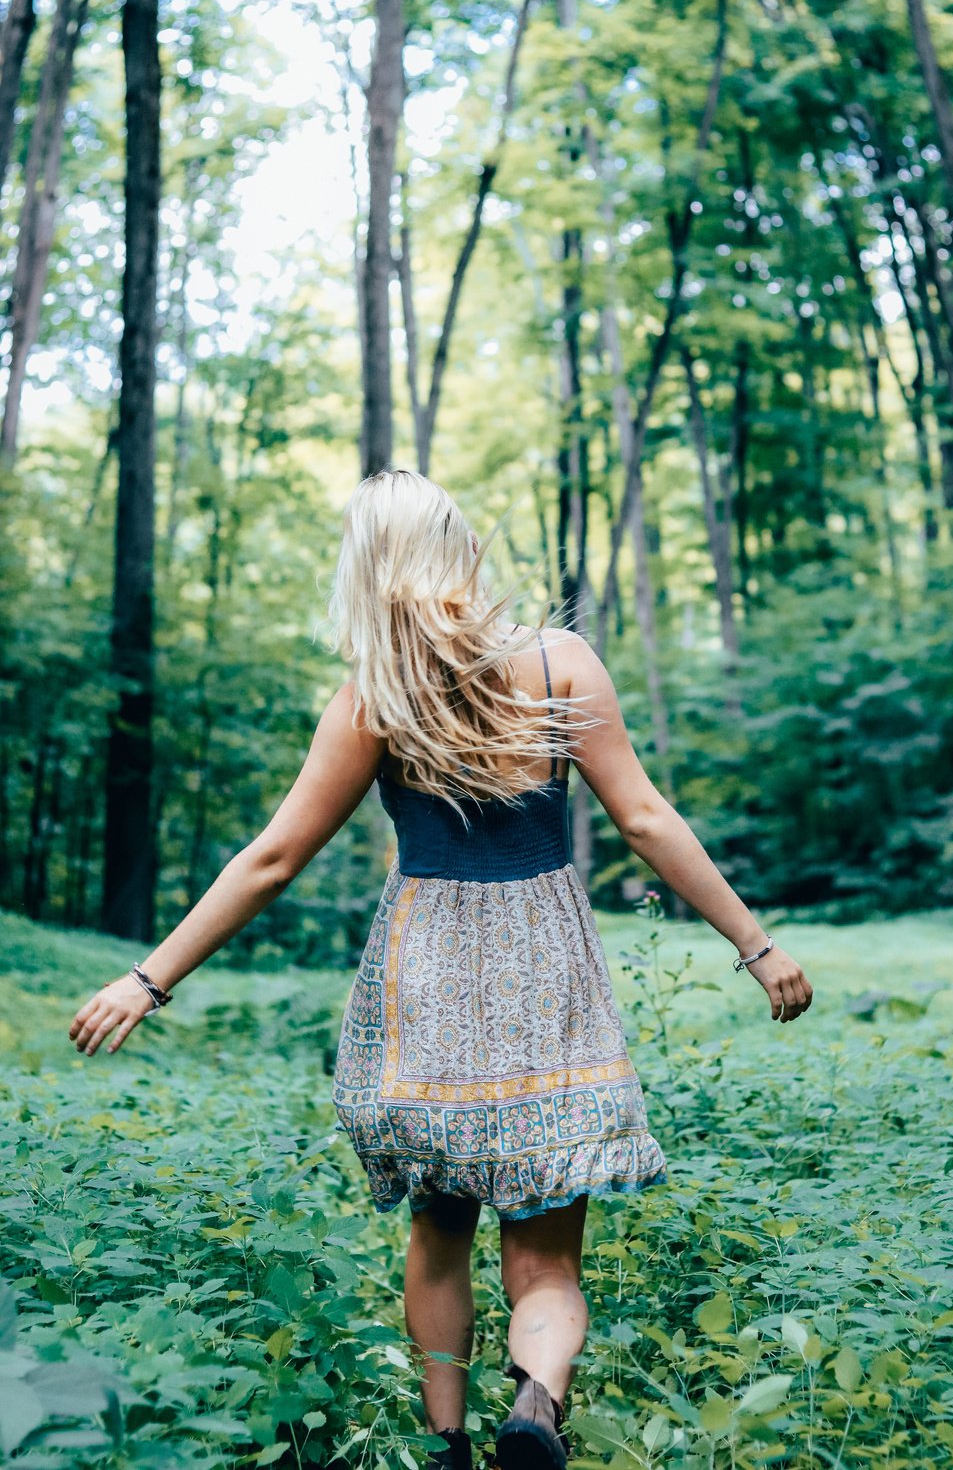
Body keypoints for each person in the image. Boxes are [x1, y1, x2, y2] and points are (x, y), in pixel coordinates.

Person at [69, 467, 813, 1470]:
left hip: (424, 980)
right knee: (545, 1262)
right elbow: (643, 818)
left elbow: (272, 858)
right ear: (459, 543)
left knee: (438, 1228)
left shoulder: (374, 698)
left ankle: (449, 1447)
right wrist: (753, 944)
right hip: (542, 973)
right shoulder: (559, 664)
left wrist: (147, 979)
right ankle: (535, 1408)